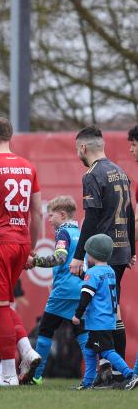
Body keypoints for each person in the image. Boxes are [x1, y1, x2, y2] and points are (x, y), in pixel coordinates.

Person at [0, 117, 43, 386]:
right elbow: (37, 212)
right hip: (21, 242)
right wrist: (31, 248)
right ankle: (26, 350)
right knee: (4, 303)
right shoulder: (28, 166)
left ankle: (7, 374)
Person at [69, 126, 134, 386]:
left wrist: (78, 255)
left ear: (83, 148)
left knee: (103, 311)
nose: (78, 155)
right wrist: (131, 249)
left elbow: (92, 218)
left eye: (78, 150)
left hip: (102, 252)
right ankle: (110, 370)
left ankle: (113, 371)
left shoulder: (93, 174)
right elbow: (129, 213)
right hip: (121, 250)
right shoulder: (121, 172)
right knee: (111, 308)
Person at [25, 196, 88, 385]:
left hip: (63, 291)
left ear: (62, 214)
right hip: (80, 288)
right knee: (81, 332)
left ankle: (36, 376)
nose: (49, 220)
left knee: (45, 330)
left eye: (51, 215)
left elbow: (60, 258)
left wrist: (34, 261)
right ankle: (93, 375)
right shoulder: (80, 232)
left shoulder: (63, 233)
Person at [72, 234, 138, 391]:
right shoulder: (110, 271)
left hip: (98, 322)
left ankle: (130, 376)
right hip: (108, 319)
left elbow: (86, 295)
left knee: (107, 351)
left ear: (93, 254)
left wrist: (77, 314)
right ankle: (87, 383)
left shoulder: (93, 273)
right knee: (89, 350)